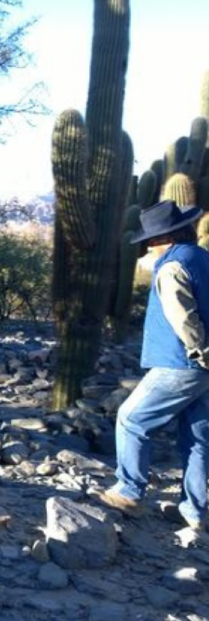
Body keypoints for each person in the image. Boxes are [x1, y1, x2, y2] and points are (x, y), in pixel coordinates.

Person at [95, 199, 209, 529]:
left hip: (182, 363)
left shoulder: (173, 266)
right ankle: (194, 512)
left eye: (150, 241)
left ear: (163, 238)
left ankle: (128, 492)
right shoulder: (203, 258)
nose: (149, 248)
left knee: (132, 419)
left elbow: (183, 318)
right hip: (202, 371)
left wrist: (200, 352)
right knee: (196, 436)